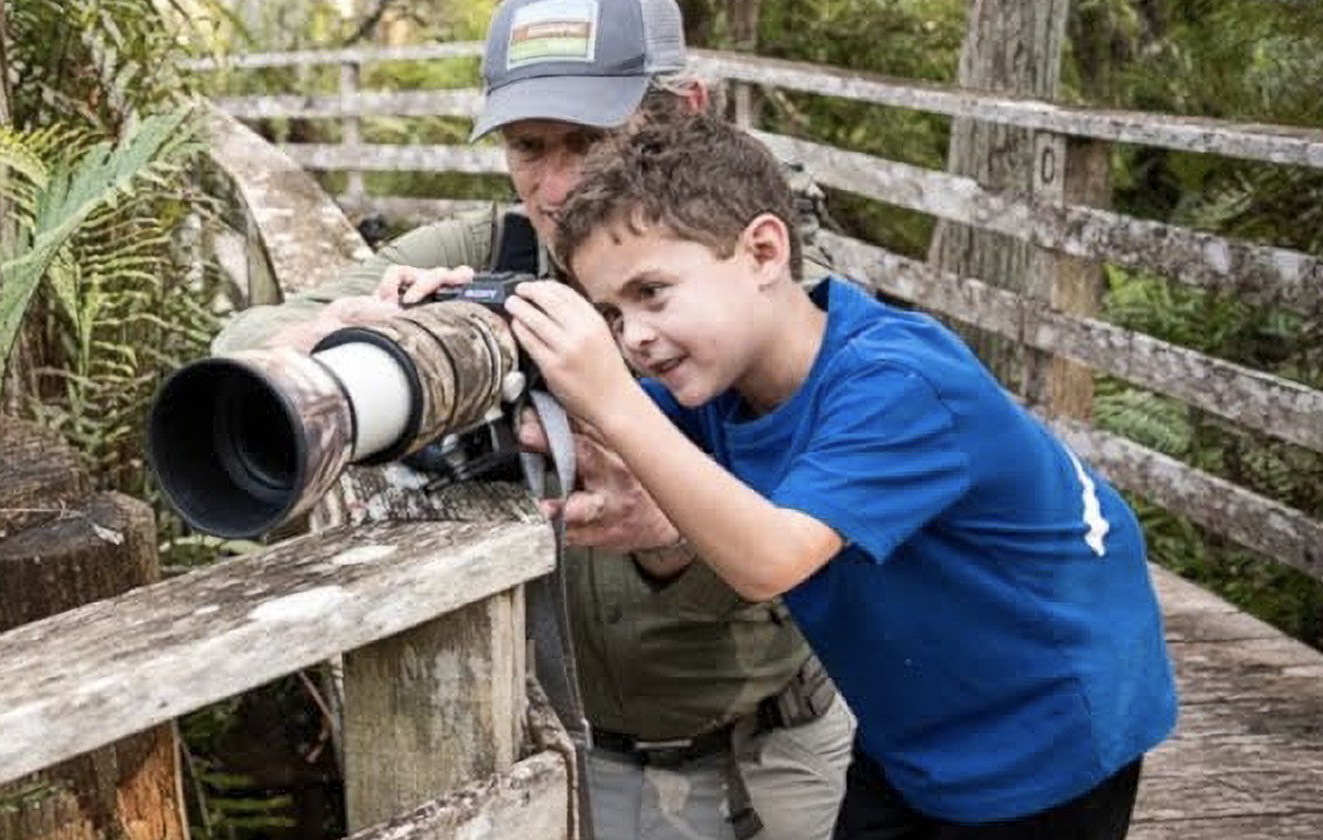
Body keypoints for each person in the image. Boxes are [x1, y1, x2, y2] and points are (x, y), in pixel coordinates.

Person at [213, 2, 854, 838]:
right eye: (527, 146)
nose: (556, 189)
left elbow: (822, 527)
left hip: (776, 749)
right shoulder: (492, 249)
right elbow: (242, 350)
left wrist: (672, 526)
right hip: (585, 753)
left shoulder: (772, 297)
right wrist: (368, 333)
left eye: (590, 141)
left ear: (685, 117)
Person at [502, 114, 1179, 839]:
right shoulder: (724, 383)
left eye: (653, 293)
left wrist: (609, 397)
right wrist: (452, 321)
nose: (631, 337)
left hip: (1046, 730)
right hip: (913, 724)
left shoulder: (897, 381)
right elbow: (591, 426)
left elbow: (769, 559)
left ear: (763, 251)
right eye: (609, 312)